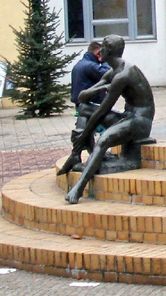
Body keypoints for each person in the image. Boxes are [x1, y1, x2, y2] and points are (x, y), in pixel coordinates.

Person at [63, 35, 155, 204]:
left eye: (103, 47)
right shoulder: (112, 73)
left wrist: (82, 138)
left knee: (103, 140)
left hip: (140, 122)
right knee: (84, 109)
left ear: (110, 52)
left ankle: (79, 187)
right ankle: (77, 156)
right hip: (128, 116)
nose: (100, 50)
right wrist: (104, 87)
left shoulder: (124, 75)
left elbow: (101, 112)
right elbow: (82, 97)